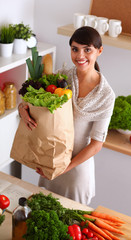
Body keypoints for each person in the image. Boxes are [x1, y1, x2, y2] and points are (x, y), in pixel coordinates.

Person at [18, 26, 115, 205]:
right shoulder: (63, 77)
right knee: (43, 213)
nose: (80, 56)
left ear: (99, 51)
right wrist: (22, 110)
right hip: (52, 160)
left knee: (70, 223)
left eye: (87, 50)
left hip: (76, 171)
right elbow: (38, 107)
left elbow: (96, 145)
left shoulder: (106, 96)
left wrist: (64, 168)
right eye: (75, 49)